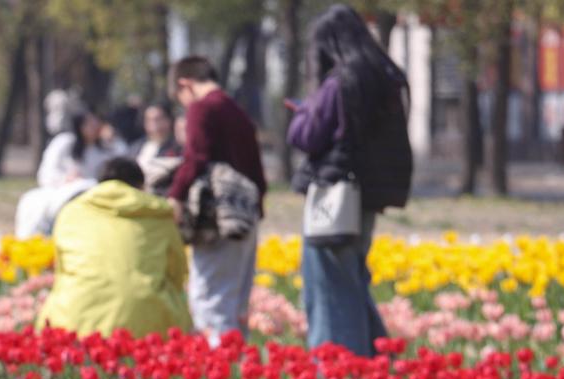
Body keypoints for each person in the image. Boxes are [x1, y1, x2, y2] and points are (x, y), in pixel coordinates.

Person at [289, 4, 412, 356]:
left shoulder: (340, 82)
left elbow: (308, 136)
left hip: (335, 201)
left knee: (328, 288)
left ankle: (338, 370)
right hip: (368, 197)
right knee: (353, 282)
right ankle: (377, 362)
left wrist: (302, 113)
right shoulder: (385, 77)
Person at [167, 57, 267, 343]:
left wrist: (176, 196)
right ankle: (237, 367)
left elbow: (196, 157)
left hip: (217, 219)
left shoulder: (202, 108)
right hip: (246, 216)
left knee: (209, 298)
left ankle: (220, 372)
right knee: (235, 302)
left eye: (180, 97)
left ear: (185, 84)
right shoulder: (236, 109)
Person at [35, 157, 192, 338]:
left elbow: (61, 269)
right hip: (146, 326)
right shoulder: (158, 215)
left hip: (72, 321)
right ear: (141, 187)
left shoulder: (71, 212)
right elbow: (177, 275)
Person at [15, 107, 118, 237]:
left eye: (97, 123)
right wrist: (66, 180)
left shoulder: (105, 150)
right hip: (60, 193)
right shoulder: (64, 142)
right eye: (90, 123)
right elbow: (46, 174)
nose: (94, 127)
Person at [133, 102, 183, 193]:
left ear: (169, 120)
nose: (154, 125)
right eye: (149, 120)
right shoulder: (136, 147)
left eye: (159, 119)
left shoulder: (178, 148)